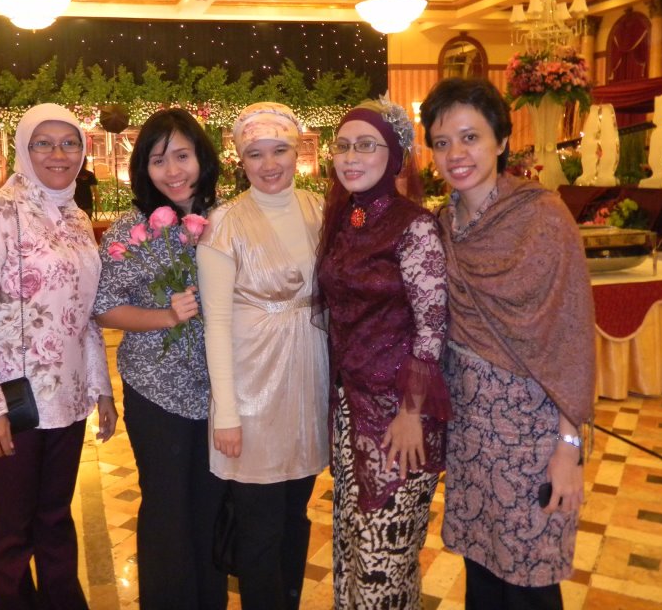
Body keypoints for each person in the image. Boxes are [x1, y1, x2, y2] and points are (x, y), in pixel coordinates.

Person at [421, 78, 595, 610]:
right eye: (442, 142)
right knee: (482, 574)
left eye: (470, 137)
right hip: (471, 432)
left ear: (501, 141)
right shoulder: (442, 225)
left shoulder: (542, 218)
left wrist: (568, 449)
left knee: (530, 581)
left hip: (532, 433)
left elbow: (571, 336)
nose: (456, 154)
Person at [0, 103, 117, 610]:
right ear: (24, 148)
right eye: (45, 143)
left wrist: (100, 388)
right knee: (12, 529)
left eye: (70, 143)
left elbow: (83, 313)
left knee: (56, 517)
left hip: (68, 398)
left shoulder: (77, 217)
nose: (59, 154)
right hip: (13, 401)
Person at [316, 98, 451, 609]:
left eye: (366, 146)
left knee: (383, 564)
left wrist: (412, 411)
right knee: (353, 549)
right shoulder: (345, 219)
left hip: (399, 416)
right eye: (343, 146)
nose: (351, 157)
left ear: (394, 156)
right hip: (352, 407)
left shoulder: (413, 226)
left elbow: (431, 325)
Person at [197, 102, 329, 610]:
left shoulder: (320, 209)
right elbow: (216, 324)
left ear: (298, 152)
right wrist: (227, 414)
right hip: (253, 389)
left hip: (308, 381)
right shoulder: (225, 223)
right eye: (256, 154)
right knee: (259, 527)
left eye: (280, 151)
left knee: (296, 515)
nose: (269, 164)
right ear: (241, 159)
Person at [93, 108, 227, 610]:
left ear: (202, 158)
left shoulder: (228, 220)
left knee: (212, 504)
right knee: (167, 508)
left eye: (182, 156)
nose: (172, 171)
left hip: (222, 391)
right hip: (156, 391)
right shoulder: (129, 232)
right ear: (142, 169)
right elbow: (104, 307)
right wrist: (166, 317)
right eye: (157, 160)